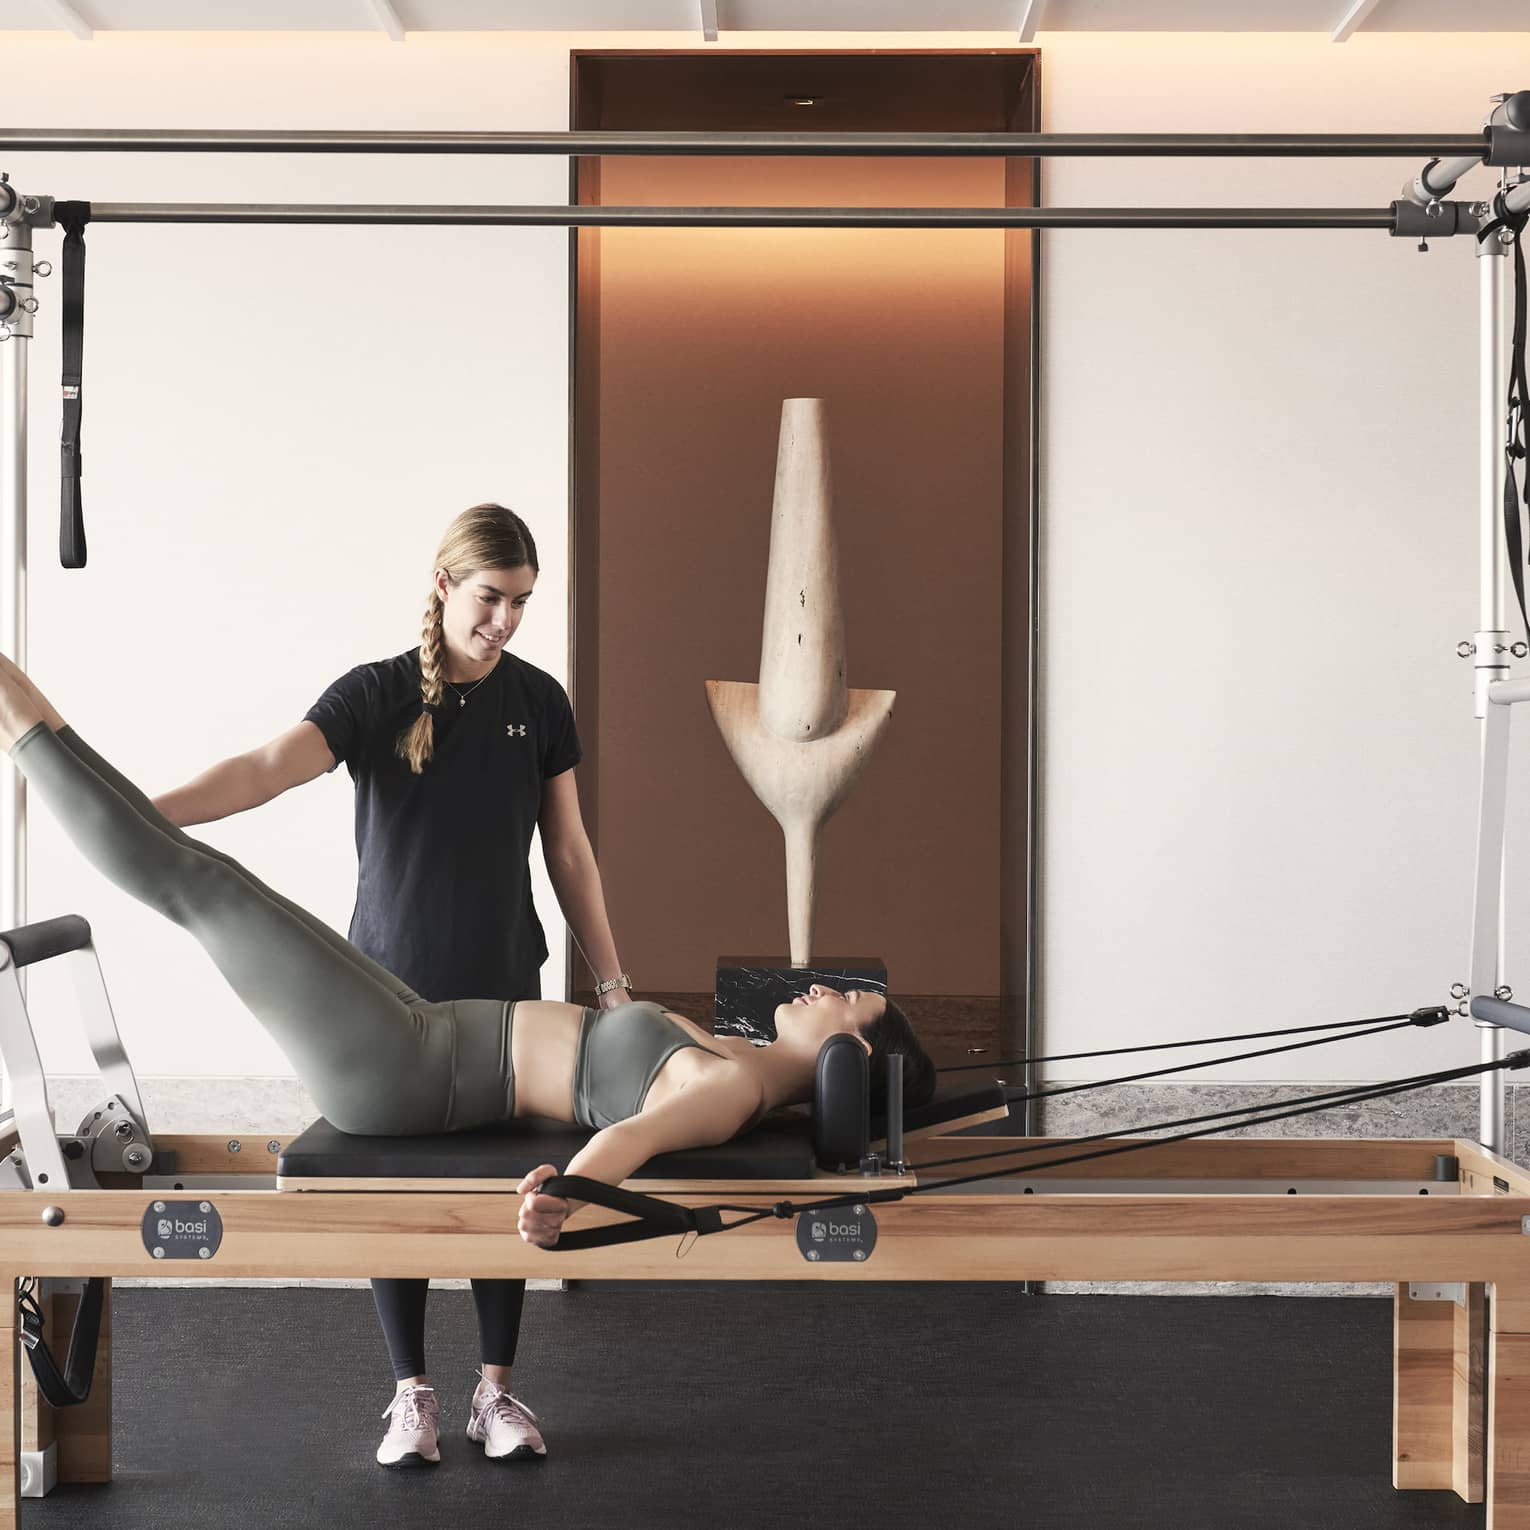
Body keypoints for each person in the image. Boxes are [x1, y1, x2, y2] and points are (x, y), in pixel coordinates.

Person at [0, 643, 936, 1255]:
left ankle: (14, 703)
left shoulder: (729, 1089)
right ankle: (39, 736)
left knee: (198, 885)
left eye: (845, 999)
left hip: (404, 1064)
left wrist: (562, 1195)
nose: (822, 989)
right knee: (200, 877)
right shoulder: (742, 1062)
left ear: (848, 1058)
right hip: (425, 1027)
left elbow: (633, 1138)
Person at [146, 504, 633, 1469]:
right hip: (386, 991)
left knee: (514, 1182)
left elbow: (569, 849)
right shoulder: (373, 694)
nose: (505, 621)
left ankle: (496, 1393)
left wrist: (613, 983)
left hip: (505, 985)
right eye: (490, 598)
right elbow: (264, 769)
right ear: (446, 585)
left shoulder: (539, 701)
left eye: (523, 602)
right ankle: (410, 1394)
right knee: (394, 1187)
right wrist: (144, 814)